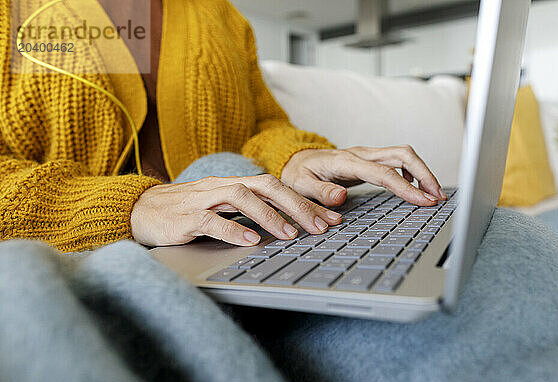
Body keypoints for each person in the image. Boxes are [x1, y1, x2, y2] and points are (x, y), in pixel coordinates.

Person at [0, 0, 445, 253]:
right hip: (89, 253)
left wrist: (295, 156)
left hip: (240, 243)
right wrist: (129, 208)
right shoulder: (13, 12)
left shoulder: (221, 15)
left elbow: (263, 124)